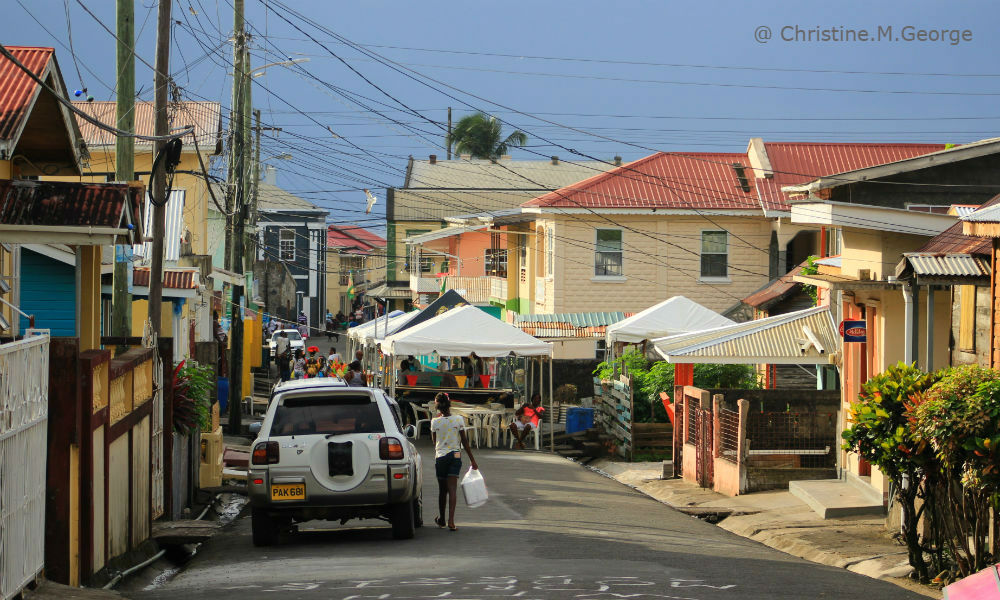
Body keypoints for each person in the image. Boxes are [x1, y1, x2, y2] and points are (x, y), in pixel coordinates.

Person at [429, 393, 477, 531]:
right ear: (450, 404)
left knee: (442, 491)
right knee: (452, 489)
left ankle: (442, 519)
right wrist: (472, 460)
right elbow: (465, 441)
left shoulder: (435, 422)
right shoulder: (458, 419)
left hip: (441, 457)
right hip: (455, 456)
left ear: (437, 406)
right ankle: (451, 521)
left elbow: (434, 441)